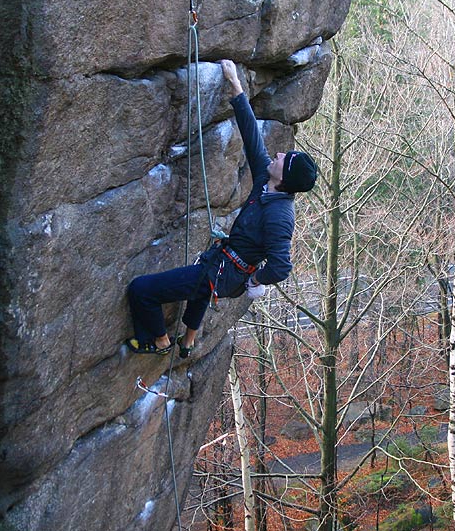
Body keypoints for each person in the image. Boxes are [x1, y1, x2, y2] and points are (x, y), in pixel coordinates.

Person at [124, 59, 318, 357]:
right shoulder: (267, 180)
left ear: (286, 177)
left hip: (227, 274)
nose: (278, 153)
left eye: (284, 158)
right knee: (200, 280)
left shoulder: (280, 215)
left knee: (142, 290)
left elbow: (281, 266)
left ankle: (160, 342)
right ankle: (187, 341)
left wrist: (255, 280)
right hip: (222, 263)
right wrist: (235, 85)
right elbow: (252, 137)